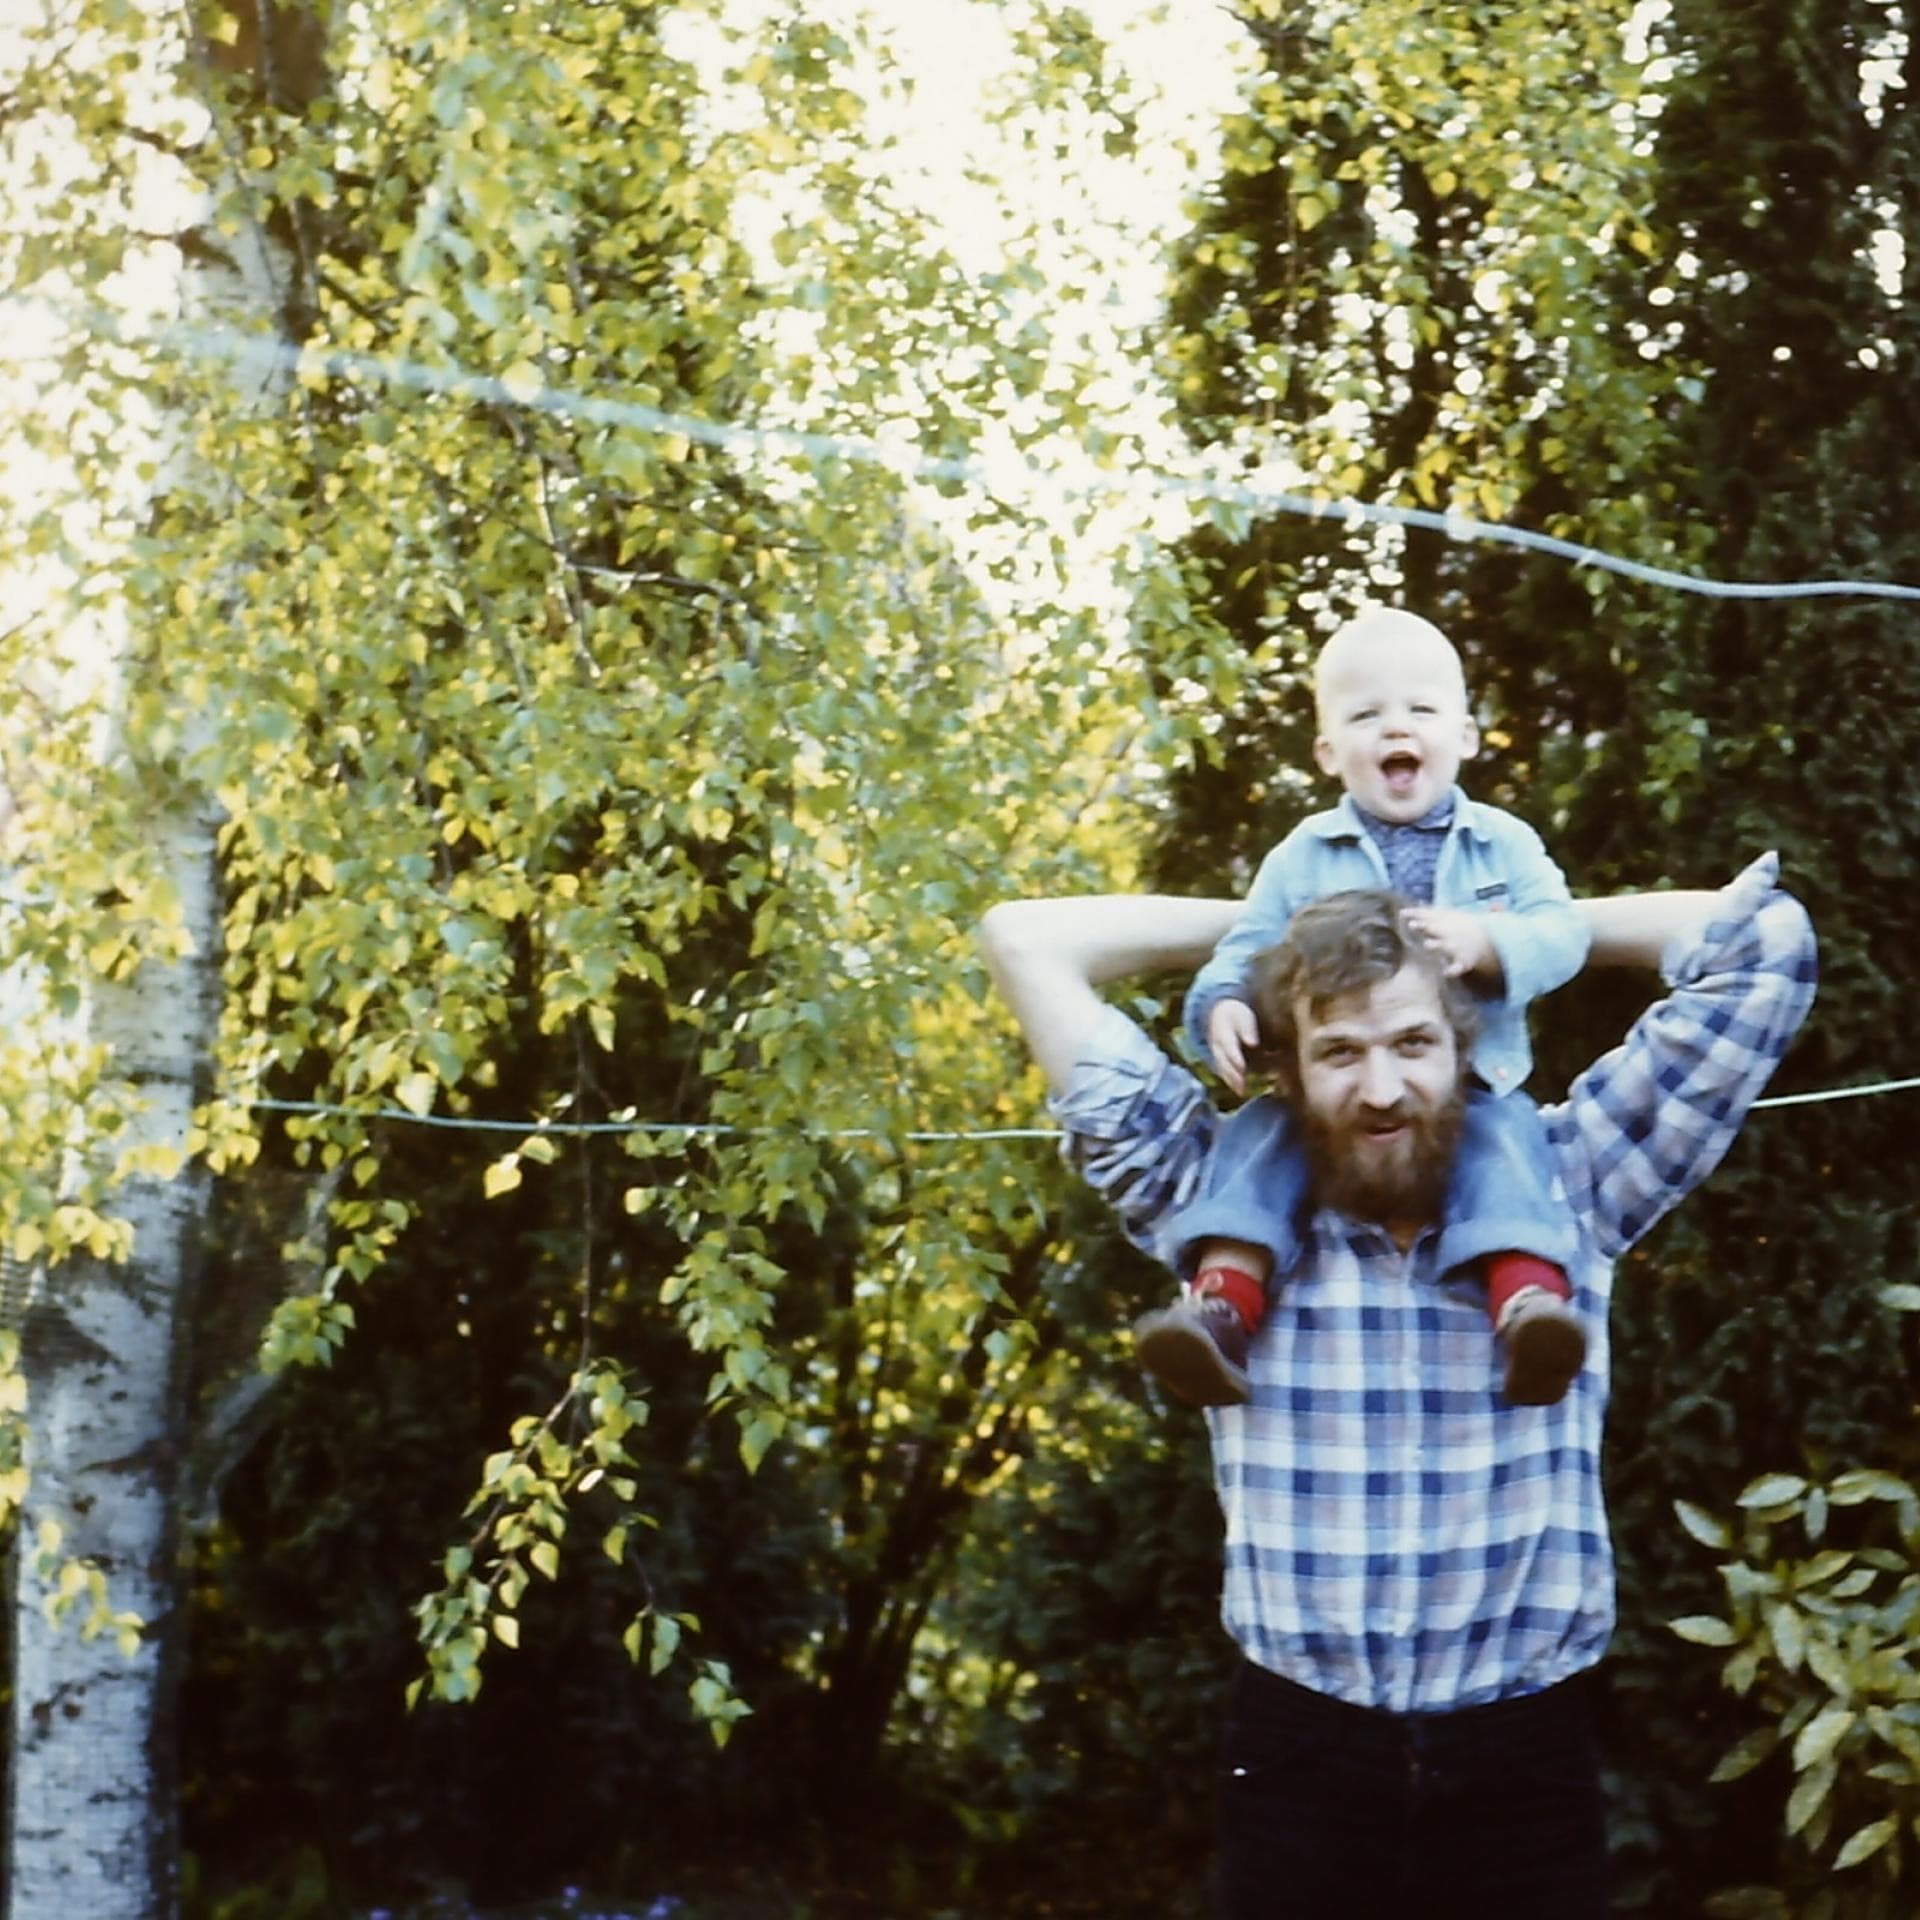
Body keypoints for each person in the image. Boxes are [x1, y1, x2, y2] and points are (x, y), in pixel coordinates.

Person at [977, 853, 1815, 1918]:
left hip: (1523, 1765)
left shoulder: (1573, 1182)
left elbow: (1765, 944)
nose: (1382, 1088)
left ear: (1461, 1044)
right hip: (1299, 1762)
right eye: (1338, 1050)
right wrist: (1297, 926)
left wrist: (1512, 934)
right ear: (1286, 1070)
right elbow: (1026, 941)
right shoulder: (1211, 1201)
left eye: (1414, 1041)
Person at [1142, 607, 1590, 1411]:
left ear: (1467, 734)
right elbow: (1246, 948)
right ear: (1327, 753)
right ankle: (1221, 1308)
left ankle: (1528, 1309)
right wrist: (1223, 1005)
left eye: (1421, 710)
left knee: (1509, 1151)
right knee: (1254, 1141)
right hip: (1331, 1095)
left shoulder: (1503, 844)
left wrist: (1491, 945)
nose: (1397, 728)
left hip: (1473, 1081)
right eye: (1366, 715)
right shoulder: (1303, 855)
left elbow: (1564, 935)